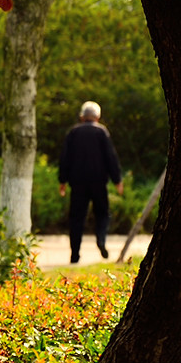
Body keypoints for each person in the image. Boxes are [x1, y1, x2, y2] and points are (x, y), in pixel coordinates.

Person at [58, 101, 124, 263]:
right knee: (102, 213)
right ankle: (100, 239)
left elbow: (64, 159)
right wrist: (117, 180)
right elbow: (111, 157)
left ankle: (75, 255)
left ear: (82, 117)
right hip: (98, 182)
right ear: (98, 117)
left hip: (77, 183)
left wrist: (62, 181)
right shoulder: (101, 132)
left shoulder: (73, 133)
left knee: (76, 218)